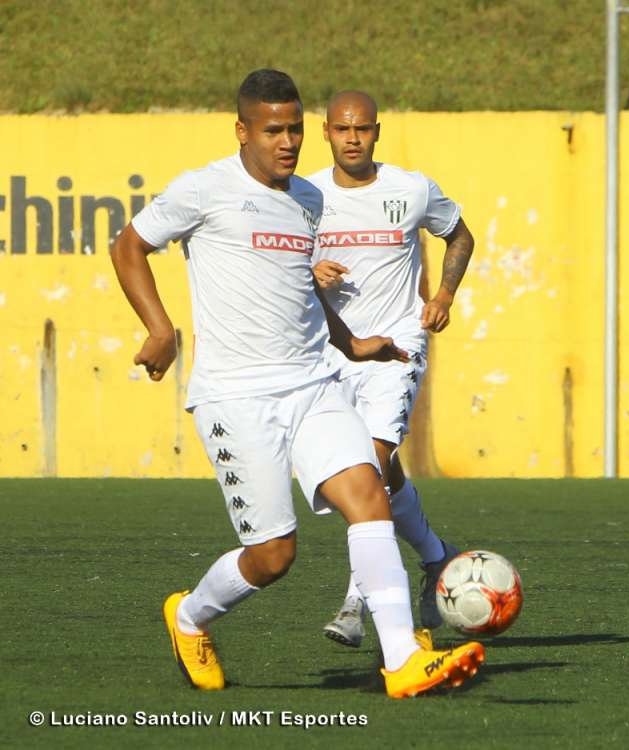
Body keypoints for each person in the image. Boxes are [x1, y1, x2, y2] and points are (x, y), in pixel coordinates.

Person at [109, 69, 484, 698]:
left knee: (367, 489)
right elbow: (128, 246)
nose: (288, 142)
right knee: (273, 557)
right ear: (242, 131)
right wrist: (160, 327)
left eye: (295, 130)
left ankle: (401, 661)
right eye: (273, 130)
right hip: (237, 397)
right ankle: (190, 615)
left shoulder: (309, 201)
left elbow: (298, 295)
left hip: (313, 383)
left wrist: (351, 343)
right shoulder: (204, 190)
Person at [307, 90, 475, 647]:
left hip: (396, 348)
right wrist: (311, 271)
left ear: (376, 132)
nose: (352, 139)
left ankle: (357, 603)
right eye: (341, 129)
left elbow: (459, 234)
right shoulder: (306, 197)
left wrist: (444, 295)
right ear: (326, 132)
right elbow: (281, 263)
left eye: (362, 129)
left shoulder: (411, 188)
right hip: (332, 351)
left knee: (368, 468)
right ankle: (437, 557)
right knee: (373, 472)